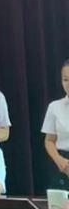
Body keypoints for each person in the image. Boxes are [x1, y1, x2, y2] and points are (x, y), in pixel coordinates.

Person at [41, 59, 69, 190]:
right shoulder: (54, 107)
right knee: (60, 202)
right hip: (63, 163)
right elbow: (49, 140)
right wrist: (59, 160)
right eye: (65, 79)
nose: (68, 84)